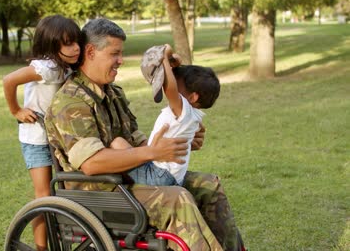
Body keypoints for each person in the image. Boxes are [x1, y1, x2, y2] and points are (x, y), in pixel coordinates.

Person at [45, 18, 244, 251]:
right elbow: (92, 163)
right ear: (90, 51)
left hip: (129, 181)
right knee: (177, 198)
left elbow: (137, 141)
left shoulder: (113, 93)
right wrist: (152, 152)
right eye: (115, 54)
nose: (120, 60)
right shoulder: (70, 102)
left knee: (208, 184)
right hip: (101, 195)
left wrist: (177, 143)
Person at [2, 14, 82, 251]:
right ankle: (41, 247)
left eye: (76, 41)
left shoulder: (66, 67)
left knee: (64, 189)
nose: (76, 47)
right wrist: (16, 109)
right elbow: (8, 80)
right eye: (68, 43)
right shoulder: (46, 68)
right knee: (44, 194)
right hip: (36, 139)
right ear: (51, 45)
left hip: (57, 139)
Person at [112, 44, 220, 187]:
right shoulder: (190, 116)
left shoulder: (184, 111)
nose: (173, 84)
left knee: (117, 143)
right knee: (124, 147)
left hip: (158, 176)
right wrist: (172, 67)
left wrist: (163, 57)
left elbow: (170, 88)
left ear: (193, 97)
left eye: (178, 83)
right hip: (170, 176)